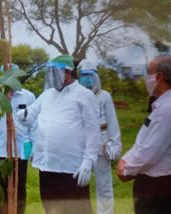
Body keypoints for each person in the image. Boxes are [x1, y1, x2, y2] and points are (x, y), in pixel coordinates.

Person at [17, 54, 101, 214]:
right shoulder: (47, 95)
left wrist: (88, 160)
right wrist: (23, 115)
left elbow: (93, 131)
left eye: (54, 73)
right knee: (51, 208)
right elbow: (31, 114)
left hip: (71, 168)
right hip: (47, 166)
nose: (51, 77)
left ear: (68, 72)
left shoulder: (84, 96)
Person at [117, 55, 171, 214]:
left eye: (148, 74)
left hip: (157, 187)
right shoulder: (161, 107)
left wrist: (125, 168)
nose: (146, 79)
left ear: (159, 76)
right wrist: (126, 159)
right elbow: (143, 142)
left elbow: (149, 152)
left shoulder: (166, 111)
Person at [0, 63, 36, 214]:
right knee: (1, 186)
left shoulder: (28, 97)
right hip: (0, 149)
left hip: (21, 149)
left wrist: (34, 146)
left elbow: (34, 123)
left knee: (20, 186)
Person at [79, 61, 122, 214]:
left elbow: (112, 122)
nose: (85, 79)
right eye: (82, 76)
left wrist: (115, 144)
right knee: (79, 183)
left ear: (95, 76)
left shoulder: (104, 96)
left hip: (101, 144)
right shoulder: (78, 95)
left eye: (88, 75)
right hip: (81, 145)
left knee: (104, 184)